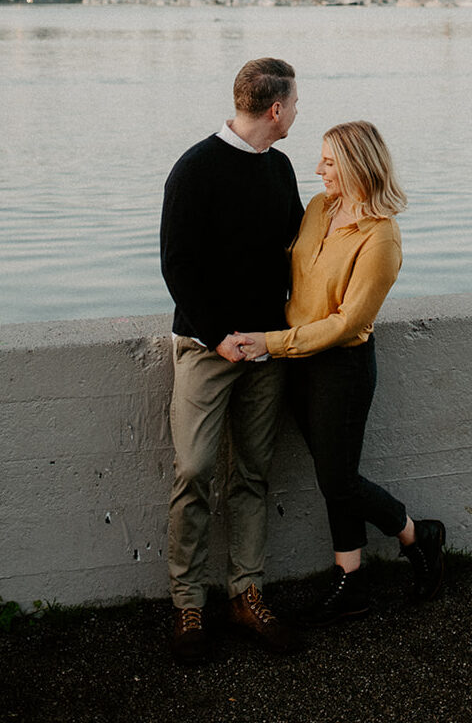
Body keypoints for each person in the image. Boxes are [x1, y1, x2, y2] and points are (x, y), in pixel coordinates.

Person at [238, 120, 446, 627]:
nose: (318, 169)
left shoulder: (381, 239)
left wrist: (272, 343)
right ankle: (351, 581)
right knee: (336, 477)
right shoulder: (317, 208)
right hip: (298, 362)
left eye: (329, 162)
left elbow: (346, 323)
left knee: (338, 479)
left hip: (340, 367)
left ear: (355, 165)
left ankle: (419, 537)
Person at [160, 58, 303, 664]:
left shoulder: (281, 167)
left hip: (267, 348)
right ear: (275, 109)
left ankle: (246, 593)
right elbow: (177, 265)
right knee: (193, 471)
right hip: (206, 349)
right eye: (294, 103)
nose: (297, 113)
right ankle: (189, 601)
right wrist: (219, 336)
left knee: (251, 471)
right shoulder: (194, 170)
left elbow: (297, 245)